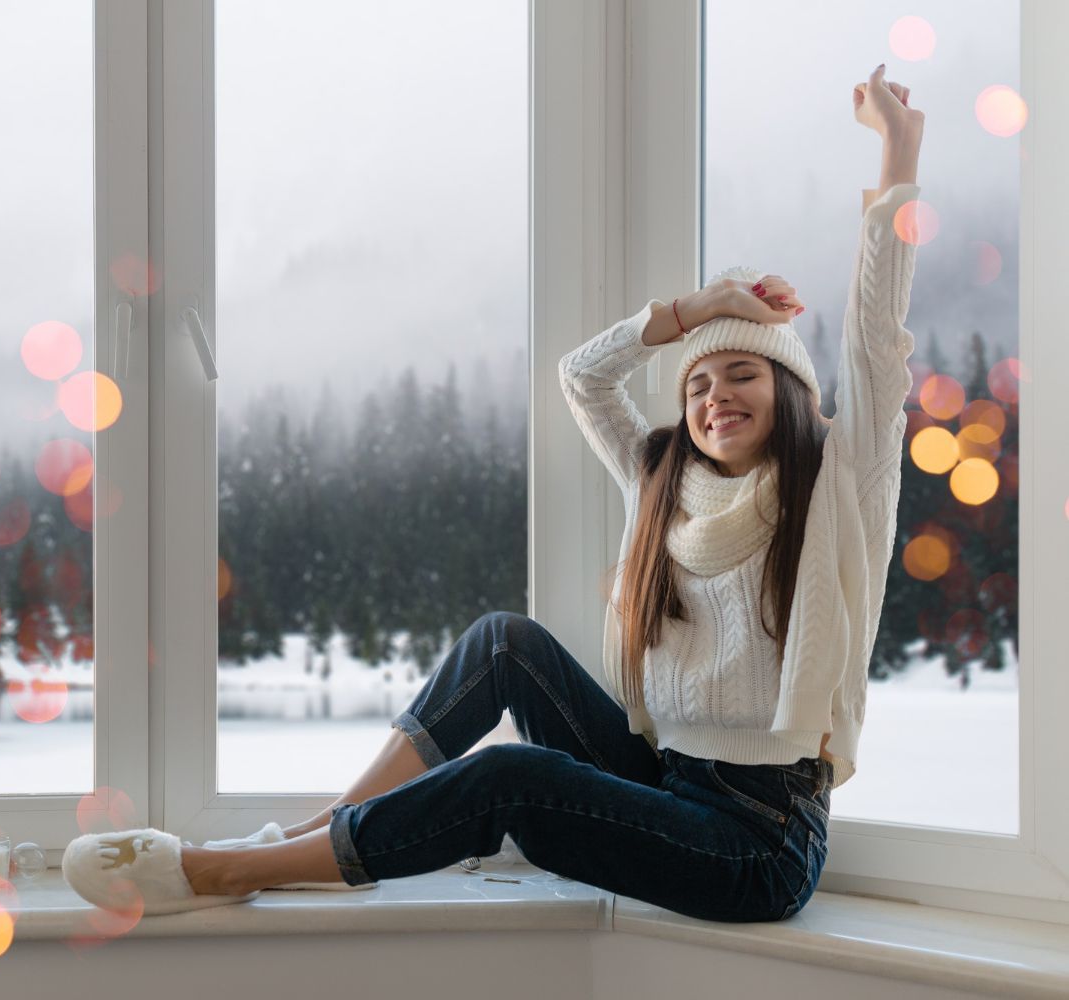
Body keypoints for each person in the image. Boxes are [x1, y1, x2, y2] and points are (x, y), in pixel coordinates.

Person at [64, 64, 925, 923]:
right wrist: (693, 311)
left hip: (759, 841)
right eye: (697, 385)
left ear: (793, 396)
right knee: (503, 642)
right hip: (670, 782)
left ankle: (221, 874)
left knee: (514, 778)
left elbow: (878, 346)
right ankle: (315, 831)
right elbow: (585, 378)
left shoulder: (835, 489)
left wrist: (898, 151)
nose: (713, 398)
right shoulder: (667, 481)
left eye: (743, 375)